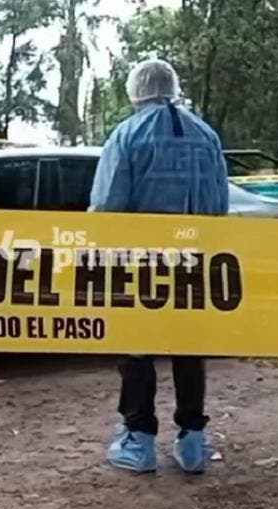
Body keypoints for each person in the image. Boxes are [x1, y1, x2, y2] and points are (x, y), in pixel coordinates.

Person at [89, 59, 229, 473]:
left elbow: (107, 206)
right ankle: (193, 442)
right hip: (195, 261)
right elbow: (220, 204)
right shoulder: (206, 135)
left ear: (135, 91)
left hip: (141, 262)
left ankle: (139, 442)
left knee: (136, 349)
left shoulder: (127, 135)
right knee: (190, 349)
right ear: (172, 87)